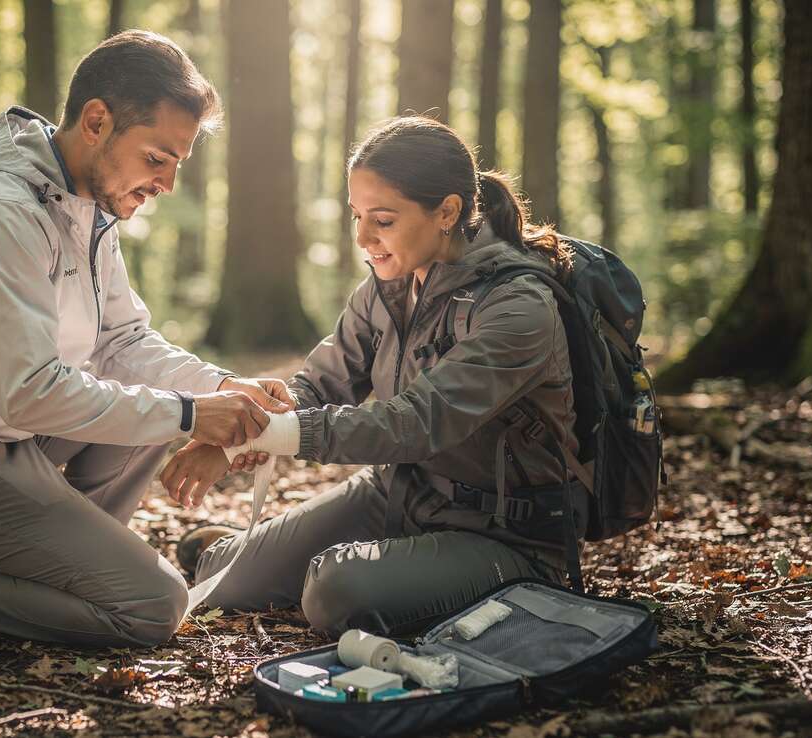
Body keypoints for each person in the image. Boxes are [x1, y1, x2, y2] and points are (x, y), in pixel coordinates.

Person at [0, 30, 289, 648]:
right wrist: (192, 415)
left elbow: (123, 342)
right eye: (157, 158)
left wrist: (225, 388)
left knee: (154, 413)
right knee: (152, 607)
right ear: (96, 122)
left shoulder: (86, 207)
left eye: (177, 163)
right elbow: (29, 391)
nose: (168, 184)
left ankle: (58, 570)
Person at [164, 116, 584, 637]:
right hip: (400, 493)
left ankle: (375, 569)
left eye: (382, 220)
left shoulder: (519, 307)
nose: (362, 237)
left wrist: (268, 435)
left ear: (447, 212)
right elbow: (322, 382)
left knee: (334, 593)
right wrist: (249, 424)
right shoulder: (388, 287)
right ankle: (269, 552)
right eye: (357, 215)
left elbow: (414, 423)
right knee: (221, 577)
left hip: (503, 532)